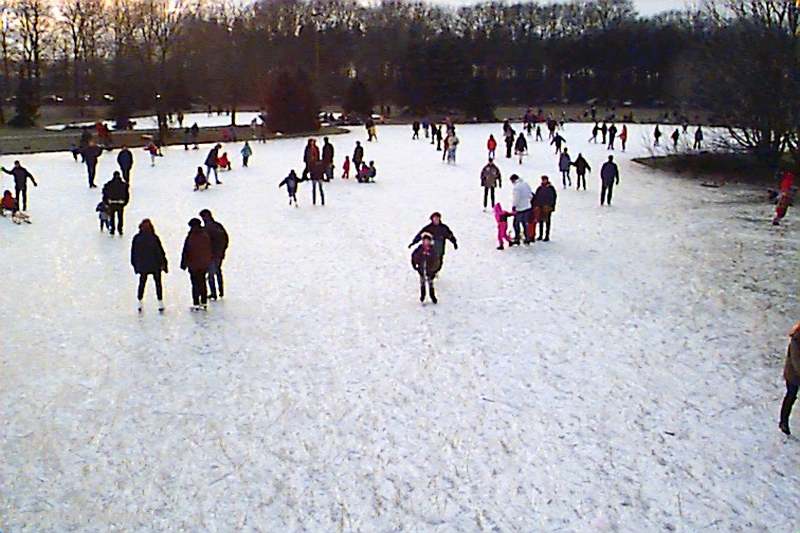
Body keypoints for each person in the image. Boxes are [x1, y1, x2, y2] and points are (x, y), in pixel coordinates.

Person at [131, 218, 168, 313]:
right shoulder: (154, 237)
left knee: (142, 283)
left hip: (143, 265)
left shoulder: (137, 238)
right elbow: (160, 252)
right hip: (155, 265)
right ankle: (160, 302)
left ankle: (139, 301)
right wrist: (164, 264)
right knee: (158, 284)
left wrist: (135, 265)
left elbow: (134, 253)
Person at [180, 218, 213, 310]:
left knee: (195, 284)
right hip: (203, 264)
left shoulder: (191, 236)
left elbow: (186, 251)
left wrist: (183, 263)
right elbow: (209, 249)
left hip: (193, 265)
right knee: (202, 282)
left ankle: (196, 302)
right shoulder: (205, 235)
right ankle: (204, 302)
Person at [199, 209, 229, 301]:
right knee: (218, 272)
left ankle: (213, 293)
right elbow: (226, 238)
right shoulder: (218, 225)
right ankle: (221, 291)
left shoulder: (206, 229)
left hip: (211, 255)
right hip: (219, 254)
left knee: (211, 275)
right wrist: (223, 250)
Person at [780, 321, 800, 435]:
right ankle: (783, 421)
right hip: (793, 375)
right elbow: (796, 361)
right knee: (791, 396)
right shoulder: (796, 340)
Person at [411, 233, 441, 304]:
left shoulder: (432, 251)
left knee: (430, 284)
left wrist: (434, 270)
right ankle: (422, 296)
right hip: (421, 270)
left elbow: (436, 261)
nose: (426, 242)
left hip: (430, 271)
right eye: (424, 241)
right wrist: (415, 265)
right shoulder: (419, 249)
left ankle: (432, 296)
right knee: (422, 284)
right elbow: (414, 256)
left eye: (428, 241)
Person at [102, 171, 130, 235]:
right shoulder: (124, 185)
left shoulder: (109, 184)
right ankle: (120, 229)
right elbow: (127, 195)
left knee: (112, 217)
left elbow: (105, 193)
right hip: (120, 203)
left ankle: (112, 229)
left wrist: (106, 202)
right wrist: (125, 203)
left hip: (112, 203)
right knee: (120, 217)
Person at [509, 174, 533, 245]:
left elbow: (516, 198)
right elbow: (530, 195)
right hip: (528, 207)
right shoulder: (526, 184)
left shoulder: (516, 188)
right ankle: (527, 238)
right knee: (525, 223)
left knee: (516, 224)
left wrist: (514, 206)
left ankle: (517, 238)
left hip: (520, 208)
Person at [534, 175, 557, 241]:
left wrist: (552, 206)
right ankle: (540, 235)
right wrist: (536, 205)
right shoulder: (539, 188)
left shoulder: (551, 188)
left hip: (548, 207)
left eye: (545, 180)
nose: (544, 181)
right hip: (540, 207)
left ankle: (547, 236)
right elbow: (536, 197)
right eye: (543, 180)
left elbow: (554, 198)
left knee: (547, 222)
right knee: (540, 222)